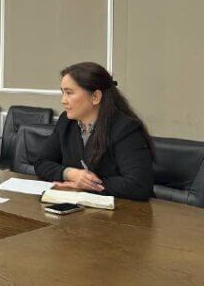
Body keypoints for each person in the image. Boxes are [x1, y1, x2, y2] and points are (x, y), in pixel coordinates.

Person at [34, 62, 155, 201]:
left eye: (69, 93)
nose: (63, 100)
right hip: (80, 206)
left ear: (95, 97)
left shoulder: (125, 128)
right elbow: (41, 162)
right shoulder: (66, 121)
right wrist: (70, 174)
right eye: (63, 92)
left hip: (125, 210)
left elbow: (139, 185)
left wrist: (86, 184)